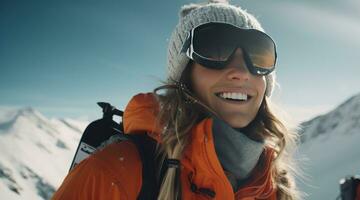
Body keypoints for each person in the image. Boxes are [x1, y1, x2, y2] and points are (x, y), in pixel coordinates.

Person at [52, 0, 299, 199]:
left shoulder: (274, 186)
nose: (242, 72)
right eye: (215, 50)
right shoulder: (115, 172)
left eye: (257, 57)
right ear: (183, 77)